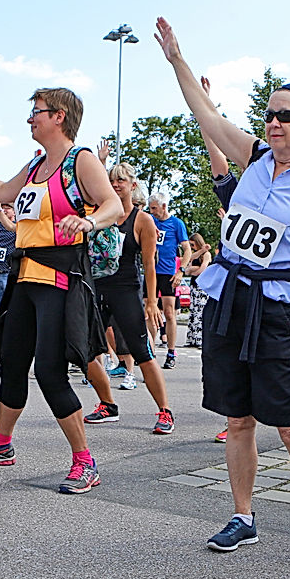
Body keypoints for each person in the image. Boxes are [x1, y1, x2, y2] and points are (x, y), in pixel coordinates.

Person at [156, 17, 290, 568]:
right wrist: (177, 61)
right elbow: (206, 115)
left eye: (285, 115)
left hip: (280, 306)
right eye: (267, 113)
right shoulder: (254, 158)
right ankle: (243, 516)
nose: (272, 123)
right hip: (228, 297)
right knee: (236, 419)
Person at [0, 86, 124, 493]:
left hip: (60, 277)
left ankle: (85, 460)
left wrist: (89, 223)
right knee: (12, 357)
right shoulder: (38, 163)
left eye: (36, 112)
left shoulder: (82, 160)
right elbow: (4, 194)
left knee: (49, 370)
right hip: (26, 274)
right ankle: (1, 443)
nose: (30, 119)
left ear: (59, 116)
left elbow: (114, 206)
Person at [82, 161, 176, 433]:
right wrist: (97, 164)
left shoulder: (142, 220)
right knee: (86, 350)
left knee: (142, 352)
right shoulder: (98, 214)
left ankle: (165, 411)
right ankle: (107, 404)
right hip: (96, 288)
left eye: (121, 180)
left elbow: (149, 265)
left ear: (133, 186)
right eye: (111, 179)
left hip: (125, 290)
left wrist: (151, 302)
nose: (115, 184)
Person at [148, 190, 190, 369]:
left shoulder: (176, 224)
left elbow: (187, 249)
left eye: (155, 208)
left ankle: (171, 352)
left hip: (168, 273)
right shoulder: (150, 221)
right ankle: (150, 354)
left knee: (169, 312)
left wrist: (181, 271)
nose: (152, 212)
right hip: (151, 272)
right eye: (150, 208)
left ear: (164, 206)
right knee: (149, 312)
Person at [183, 232, 212, 348]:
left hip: (202, 286)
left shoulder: (207, 255)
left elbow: (203, 269)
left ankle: (200, 339)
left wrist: (193, 270)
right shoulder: (198, 254)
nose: (192, 247)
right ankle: (192, 338)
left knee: (200, 312)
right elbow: (188, 264)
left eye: (193, 245)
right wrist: (200, 251)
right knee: (193, 312)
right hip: (194, 285)